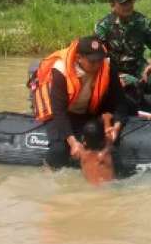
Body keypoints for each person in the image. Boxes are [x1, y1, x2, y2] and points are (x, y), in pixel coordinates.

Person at [29, 36, 128, 169]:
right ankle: (48, 170)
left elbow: (120, 101)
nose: (97, 65)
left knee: (100, 140)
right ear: (78, 58)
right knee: (59, 151)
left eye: (99, 60)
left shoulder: (107, 67)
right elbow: (59, 111)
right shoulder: (61, 71)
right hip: (58, 111)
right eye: (92, 62)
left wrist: (116, 126)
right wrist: (73, 142)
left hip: (86, 110)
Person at [95, 0, 151, 112]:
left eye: (130, 2)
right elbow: (99, 58)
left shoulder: (142, 21)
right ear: (112, 5)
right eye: (123, 3)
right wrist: (116, 75)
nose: (128, 6)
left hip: (138, 67)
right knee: (129, 88)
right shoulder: (103, 26)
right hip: (115, 71)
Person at [67, 117, 114, 186]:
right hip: (107, 189)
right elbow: (110, 137)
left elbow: (70, 140)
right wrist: (107, 119)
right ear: (103, 140)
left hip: (90, 189)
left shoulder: (81, 153)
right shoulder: (105, 153)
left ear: (84, 142)